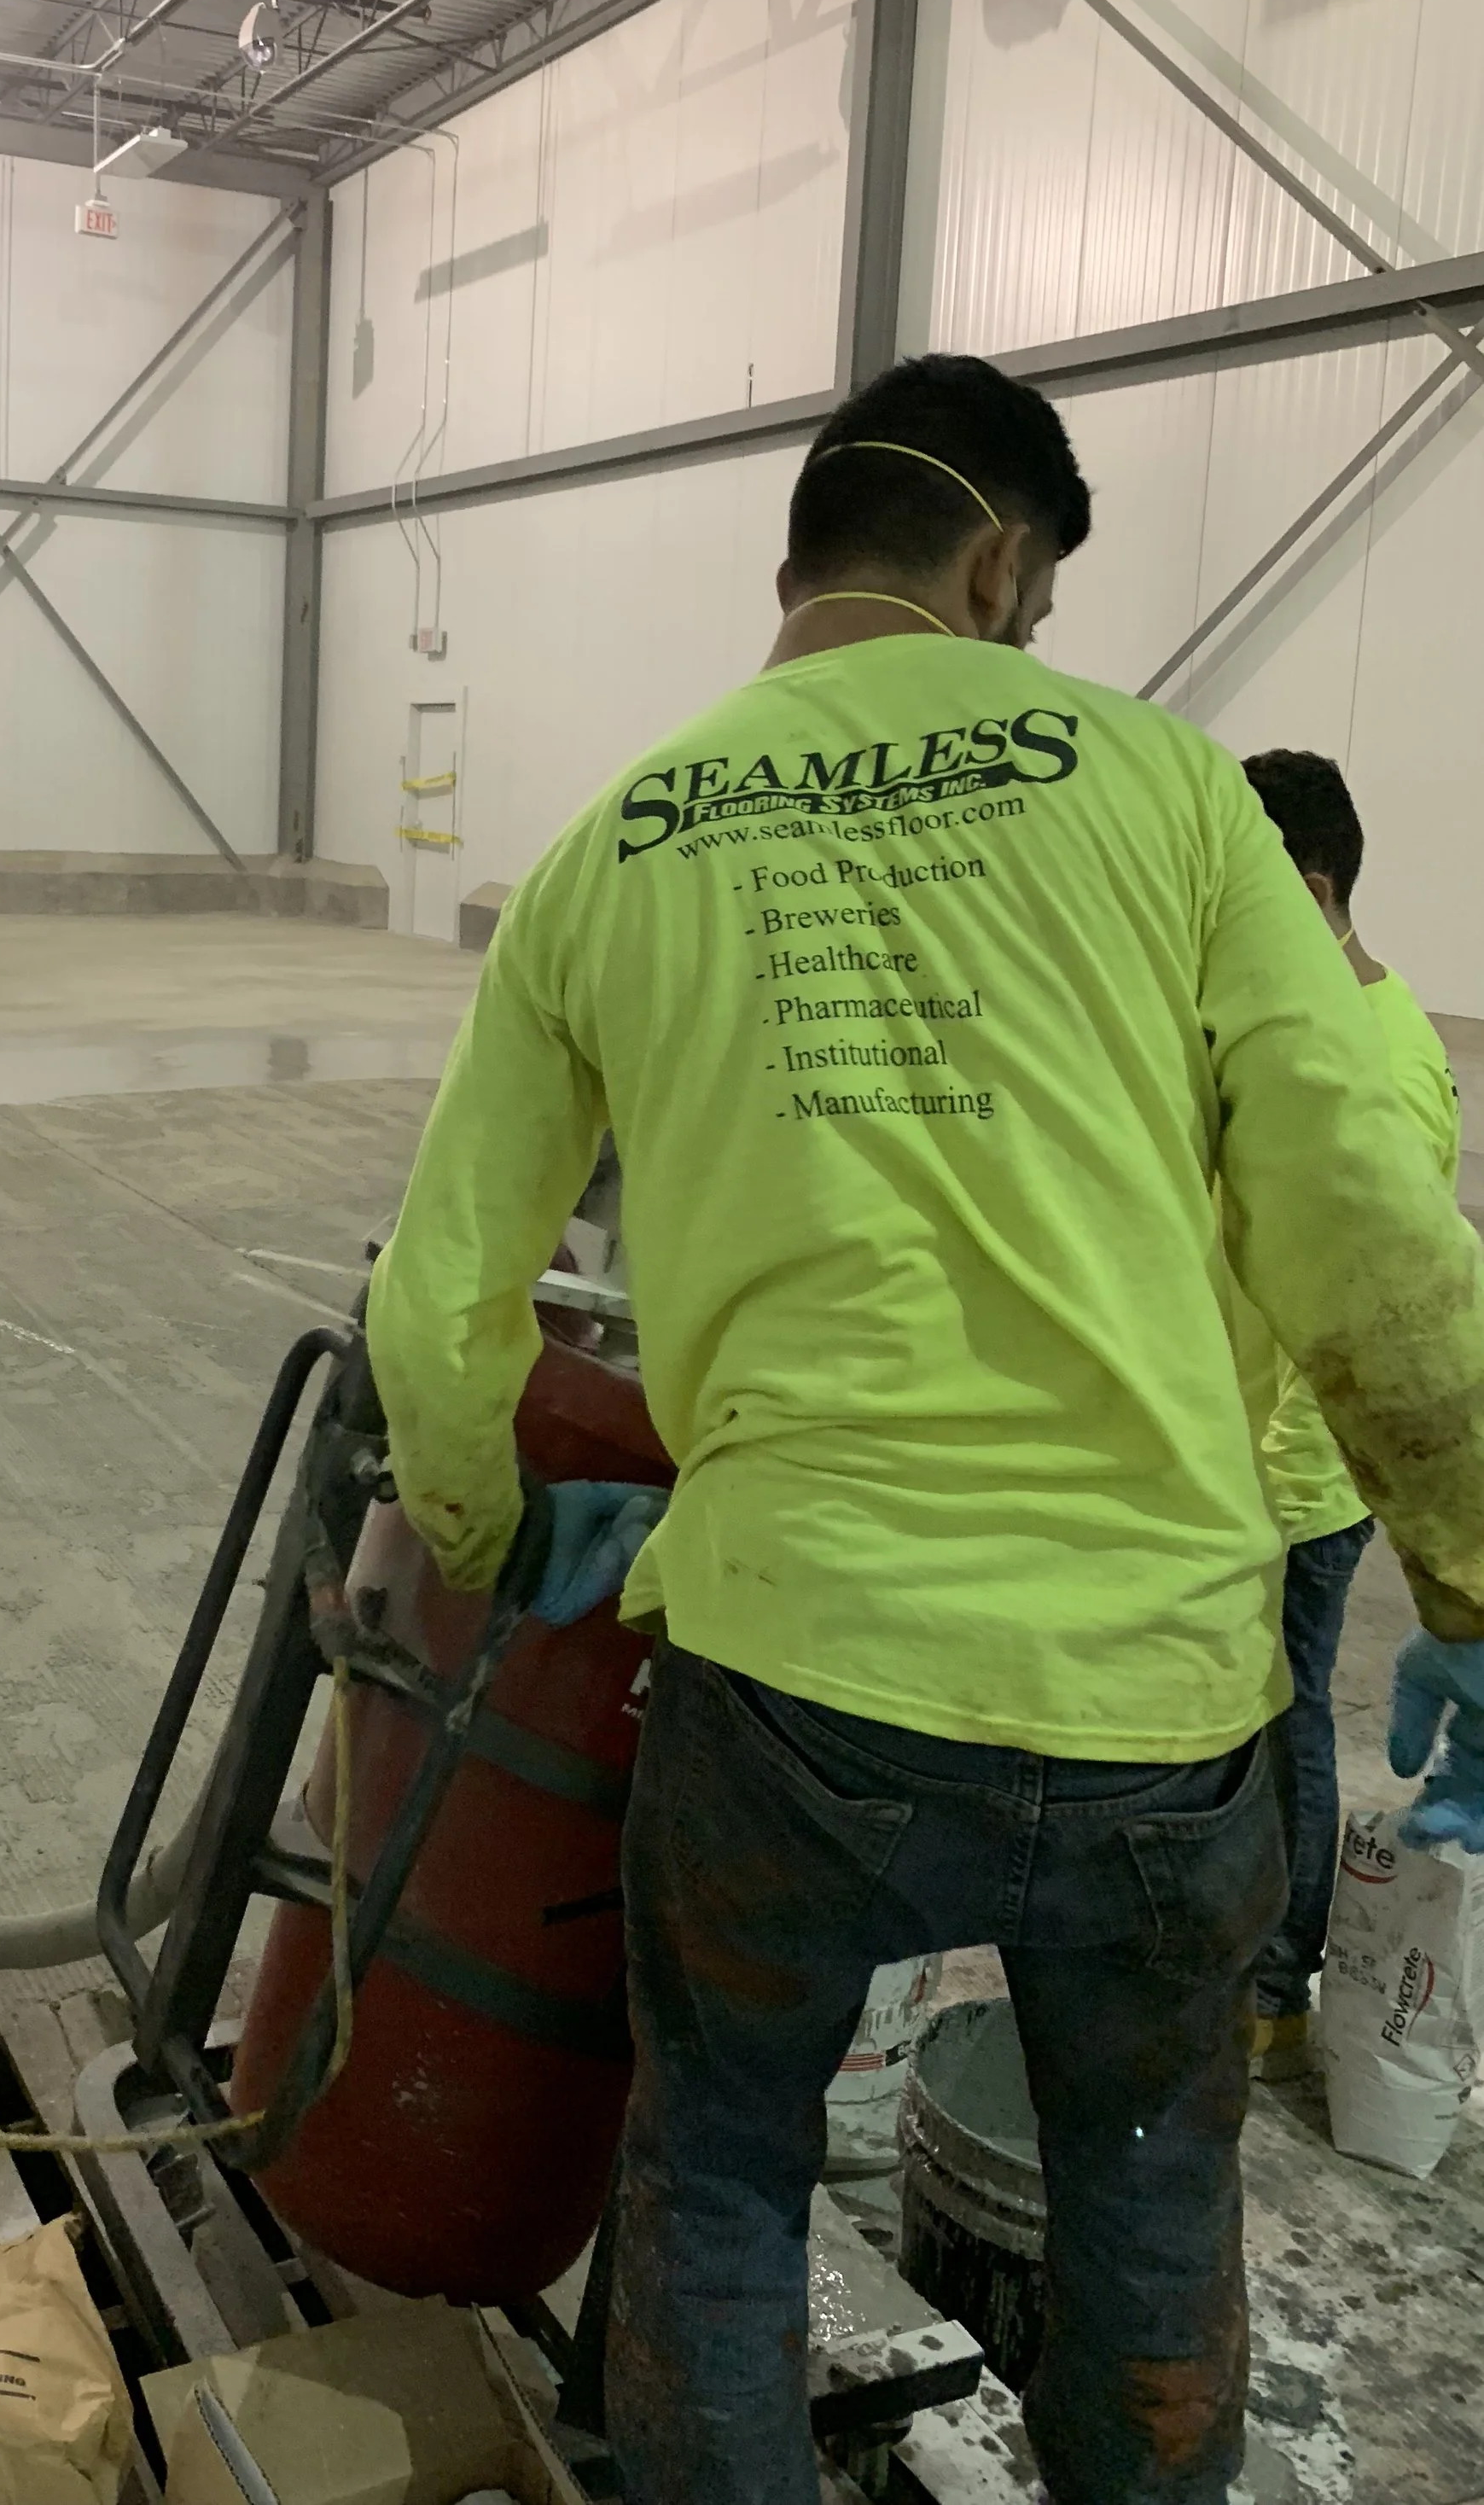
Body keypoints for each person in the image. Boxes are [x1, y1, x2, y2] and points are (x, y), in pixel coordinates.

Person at [364, 352, 1484, 2505]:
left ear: (796, 561)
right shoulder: (1166, 793)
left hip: (787, 1684)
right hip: (1152, 1697)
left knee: (709, 2179)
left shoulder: (618, 841)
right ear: (996, 554)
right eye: (1034, 605)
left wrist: (495, 1529)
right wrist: (1466, 1561)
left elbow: (440, 1301)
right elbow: (1360, 1217)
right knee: (1152, 2199)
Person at [1233, 750, 1464, 2077]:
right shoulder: (1307, 1021)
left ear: (1313, 888)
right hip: (1248, 1445)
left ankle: (1275, 1987)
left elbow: (1399, 1305)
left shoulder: (1386, 1060)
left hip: (1307, 1471)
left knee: (1288, 1718)